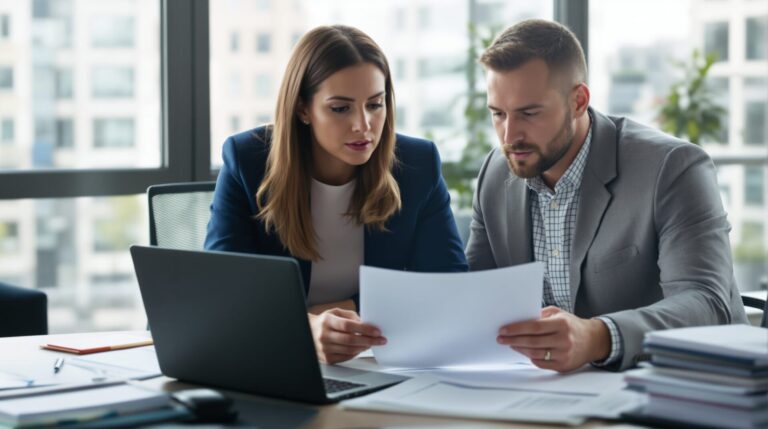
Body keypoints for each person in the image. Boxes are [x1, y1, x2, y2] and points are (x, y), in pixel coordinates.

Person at [466, 19, 747, 372]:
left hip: (681, 387)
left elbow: (707, 304)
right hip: (550, 393)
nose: (509, 135)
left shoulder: (672, 168)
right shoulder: (496, 172)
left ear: (579, 100)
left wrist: (597, 337)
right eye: (498, 114)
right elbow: (473, 294)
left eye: (529, 113)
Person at [205, 25, 468, 364]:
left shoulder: (417, 165)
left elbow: (446, 288)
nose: (363, 124)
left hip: (378, 363)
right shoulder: (248, 160)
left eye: (375, 104)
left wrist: (340, 310)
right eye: (341, 108)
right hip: (274, 358)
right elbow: (225, 297)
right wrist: (306, 328)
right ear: (302, 109)